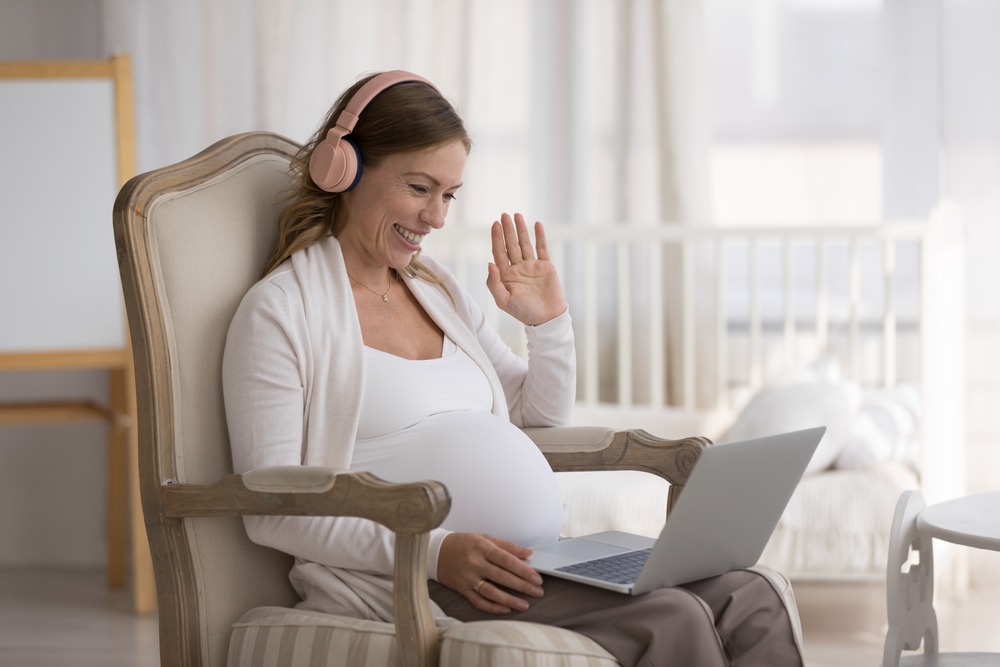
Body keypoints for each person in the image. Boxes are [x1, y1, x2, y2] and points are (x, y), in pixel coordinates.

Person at [223, 70, 803, 667]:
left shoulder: (437, 292)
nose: (437, 217)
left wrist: (546, 323)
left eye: (449, 195)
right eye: (420, 187)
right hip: (429, 578)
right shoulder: (282, 312)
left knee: (749, 594)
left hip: (539, 558)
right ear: (344, 169)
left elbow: (537, 414)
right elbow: (273, 506)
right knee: (673, 617)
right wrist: (435, 552)